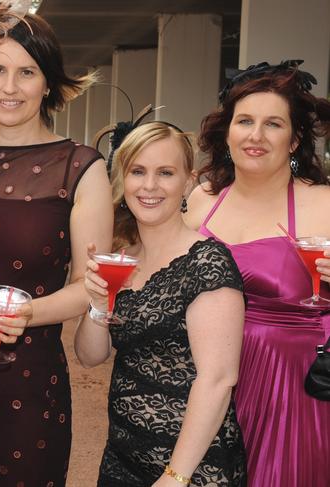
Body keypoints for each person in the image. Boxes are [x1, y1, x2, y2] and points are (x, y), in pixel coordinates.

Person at [0, 2, 113, 485]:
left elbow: (90, 287)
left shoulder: (82, 166)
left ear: (48, 82)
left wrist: (27, 313)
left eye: (26, 72)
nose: (9, 87)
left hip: (30, 387)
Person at [76, 122, 247, 486]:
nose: (149, 186)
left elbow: (218, 379)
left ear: (188, 182)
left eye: (165, 173)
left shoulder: (207, 262)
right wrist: (96, 304)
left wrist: (175, 476)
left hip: (193, 469)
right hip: (122, 460)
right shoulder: (122, 258)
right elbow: (90, 357)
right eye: (138, 171)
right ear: (124, 179)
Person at [185, 60, 330, 486]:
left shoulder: (324, 204)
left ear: (295, 139)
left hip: (291, 390)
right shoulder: (200, 201)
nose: (256, 135)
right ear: (227, 131)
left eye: (273, 124)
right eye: (245, 120)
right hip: (204, 382)